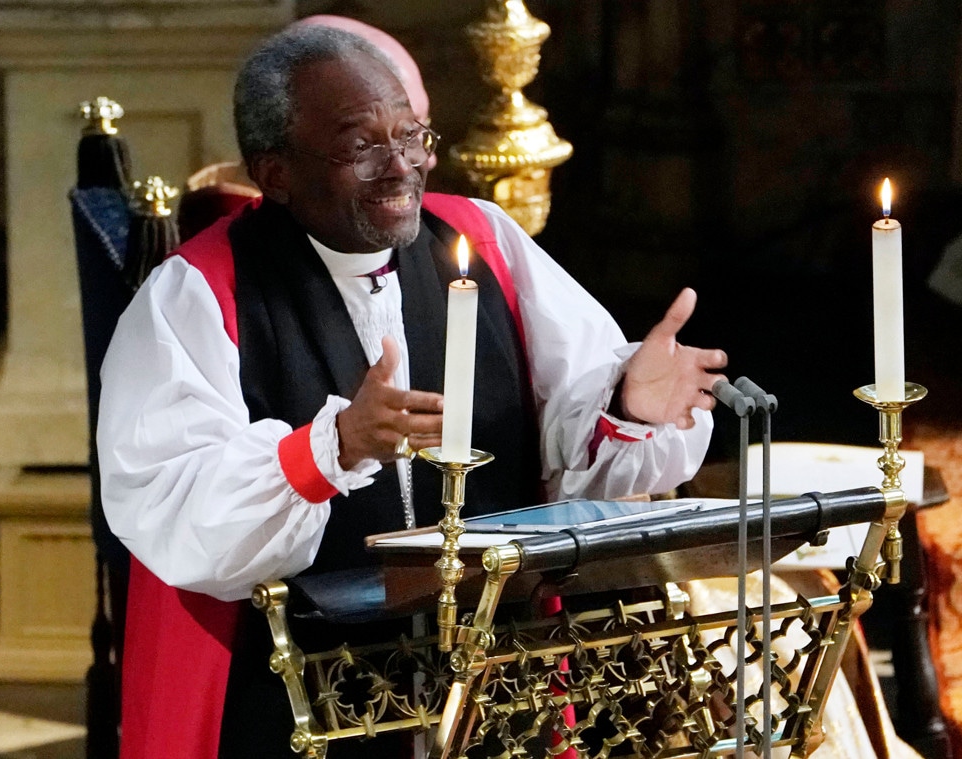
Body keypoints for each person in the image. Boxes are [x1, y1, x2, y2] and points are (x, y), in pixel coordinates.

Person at [96, 24, 727, 759]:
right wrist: (328, 450)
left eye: (412, 135)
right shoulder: (198, 293)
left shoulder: (481, 239)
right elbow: (168, 503)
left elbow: (570, 441)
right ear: (275, 172)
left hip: (492, 682)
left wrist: (630, 407)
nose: (401, 167)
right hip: (297, 698)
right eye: (361, 145)